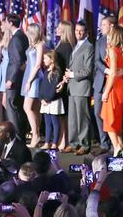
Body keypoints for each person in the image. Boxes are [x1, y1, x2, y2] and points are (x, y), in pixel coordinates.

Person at [64, 21, 93, 155]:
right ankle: (74, 143)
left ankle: (85, 144)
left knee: (82, 118)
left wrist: (72, 74)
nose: (78, 33)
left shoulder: (89, 47)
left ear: (86, 32)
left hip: (82, 87)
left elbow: (88, 70)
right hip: (72, 86)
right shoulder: (76, 46)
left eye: (81, 31)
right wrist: (67, 76)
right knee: (73, 119)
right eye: (76, 30)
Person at [100, 26, 123, 156]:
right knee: (116, 119)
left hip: (114, 87)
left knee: (109, 119)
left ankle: (117, 148)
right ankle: (121, 146)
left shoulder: (113, 50)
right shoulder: (122, 50)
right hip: (121, 85)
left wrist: (106, 91)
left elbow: (112, 73)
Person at [93, 16, 116, 154]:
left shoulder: (119, 41)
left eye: (104, 25)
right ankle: (104, 143)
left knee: (112, 114)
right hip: (100, 82)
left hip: (114, 84)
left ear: (112, 26)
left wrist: (113, 72)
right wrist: (107, 70)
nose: (101, 27)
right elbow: (97, 61)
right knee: (98, 113)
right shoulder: (100, 41)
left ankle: (115, 143)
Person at [3, 14, 28, 138]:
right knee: (15, 106)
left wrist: (11, 79)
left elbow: (17, 61)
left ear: (11, 23)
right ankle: (19, 135)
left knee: (11, 105)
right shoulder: (20, 36)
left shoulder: (17, 38)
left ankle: (17, 137)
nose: (4, 24)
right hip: (18, 77)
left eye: (5, 22)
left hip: (15, 78)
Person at [39, 50, 66, 150]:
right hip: (45, 102)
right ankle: (47, 142)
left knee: (55, 122)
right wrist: (41, 98)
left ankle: (54, 142)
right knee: (47, 122)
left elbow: (54, 88)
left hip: (53, 101)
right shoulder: (46, 72)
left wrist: (48, 99)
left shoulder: (57, 73)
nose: (43, 60)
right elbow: (42, 87)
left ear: (51, 60)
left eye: (45, 58)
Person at [21, 23, 43, 147]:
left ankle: (35, 135)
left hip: (34, 77)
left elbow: (38, 64)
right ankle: (37, 133)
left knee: (27, 107)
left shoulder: (40, 44)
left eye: (29, 31)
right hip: (28, 75)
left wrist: (29, 81)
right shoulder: (31, 45)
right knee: (34, 108)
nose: (27, 33)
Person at [54, 21, 75, 150]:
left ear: (64, 30)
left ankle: (65, 139)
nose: (56, 29)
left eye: (59, 27)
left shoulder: (67, 46)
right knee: (61, 114)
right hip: (58, 81)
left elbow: (68, 67)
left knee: (64, 113)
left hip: (64, 84)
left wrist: (63, 82)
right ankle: (62, 138)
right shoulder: (60, 44)